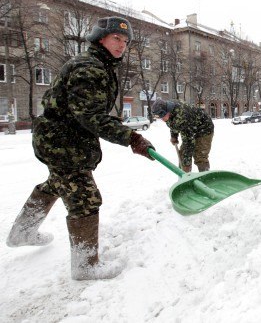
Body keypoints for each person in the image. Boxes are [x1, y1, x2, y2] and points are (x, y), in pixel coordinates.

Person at [6, 16, 155, 280]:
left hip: (62, 140)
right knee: (85, 199)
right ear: (100, 39)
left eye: (125, 41)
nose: (122, 45)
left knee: (55, 184)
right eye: (116, 39)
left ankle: (23, 232)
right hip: (63, 143)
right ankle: (86, 265)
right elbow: (91, 116)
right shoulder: (90, 68)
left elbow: (89, 112)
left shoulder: (100, 64)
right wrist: (132, 138)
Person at [151, 98, 215, 173]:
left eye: (162, 116)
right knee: (182, 155)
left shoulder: (182, 116)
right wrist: (174, 136)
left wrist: (186, 165)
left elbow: (189, 142)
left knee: (199, 155)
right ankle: (183, 177)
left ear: (167, 111)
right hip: (191, 127)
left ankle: (205, 177)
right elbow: (172, 124)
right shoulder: (169, 112)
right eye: (159, 117)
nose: (162, 119)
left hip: (204, 128)